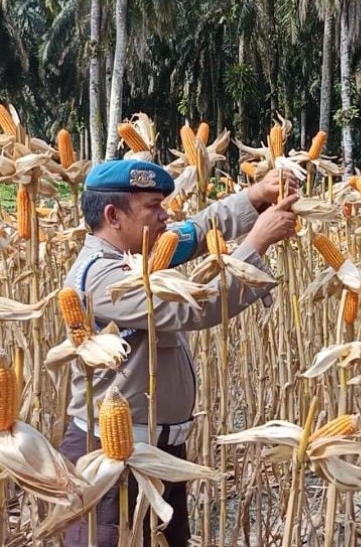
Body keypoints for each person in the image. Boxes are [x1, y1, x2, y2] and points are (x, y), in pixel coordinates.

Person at [59, 160, 300, 545]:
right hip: (113, 455)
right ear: (113, 215)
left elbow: (197, 231)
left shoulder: (138, 257)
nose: (164, 214)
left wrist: (255, 197)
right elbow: (192, 308)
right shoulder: (100, 277)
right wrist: (256, 244)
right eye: (153, 206)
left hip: (160, 450)